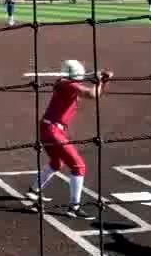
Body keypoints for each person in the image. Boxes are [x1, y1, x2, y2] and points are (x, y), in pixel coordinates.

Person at [27, 60, 113, 219]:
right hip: (53, 131)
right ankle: (74, 208)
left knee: (56, 163)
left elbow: (93, 92)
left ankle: (33, 191)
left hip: (47, 129)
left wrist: (103, 81)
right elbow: (91, 94)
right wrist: (99, 81)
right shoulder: (69, 85)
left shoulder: (63, 82)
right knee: (78, 166)